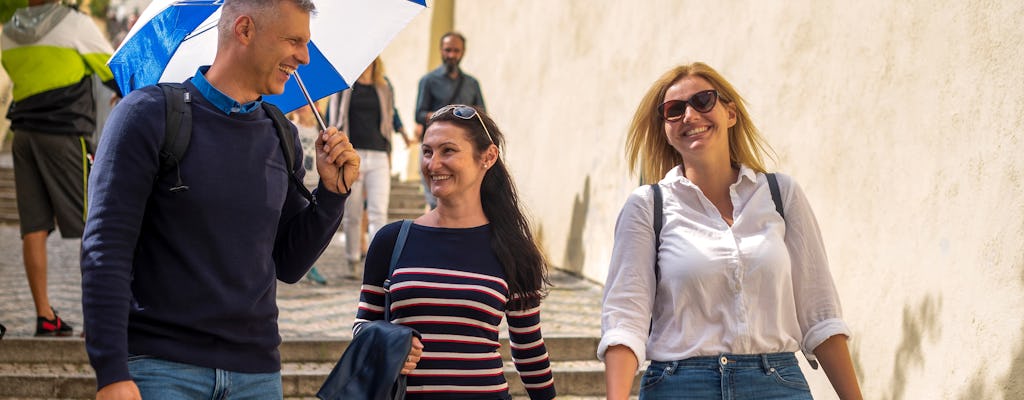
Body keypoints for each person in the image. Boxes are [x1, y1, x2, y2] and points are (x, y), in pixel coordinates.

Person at [80, 0, 360, 399]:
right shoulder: (147, 115)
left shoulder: (280, 134)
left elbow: (290, 263)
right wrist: (110, 371)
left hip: (257, 374)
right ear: (244, 30)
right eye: (294, 41)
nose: (304, 56)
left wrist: (332, 195)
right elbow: (105, 249)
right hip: (161, 370)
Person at [599, 62, 863, 400]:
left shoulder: (781, 195)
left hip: (777, 384)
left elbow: (820, 314)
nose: (690, 115)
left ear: (731, 113)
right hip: (680, 386)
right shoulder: (647, 206)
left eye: (703, 101)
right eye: (674, 110)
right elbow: (624, 321)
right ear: (666, 129)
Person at [355, 105, 556, 399]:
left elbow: (528, 349)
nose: (433, 164)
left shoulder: (515, 249)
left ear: (487, 157)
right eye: (427, 152)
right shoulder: (392, 239)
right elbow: (363, 326)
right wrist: (389, 343)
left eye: (447, 151)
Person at [1, 0, 118, 337]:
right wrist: (125, 92)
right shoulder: (74, 24)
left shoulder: (9, 31)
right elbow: (115, 70)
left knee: (33, 228)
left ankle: (44, 316)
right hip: (65, 134)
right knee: (94, 223)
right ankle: (96, 319)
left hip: (24, 136)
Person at [327, 56, 414, 279]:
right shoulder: (345, 87)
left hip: (378, 155)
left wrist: (402, 136)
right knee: (353, 212)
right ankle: (352, 260)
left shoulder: (384, 87)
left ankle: (378, 263)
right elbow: (333, 117)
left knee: (378, 211)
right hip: (352, 155)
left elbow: (391, 115)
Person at [413, 31, 485, 210]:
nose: (452, 55)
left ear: (463, 52)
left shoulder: (472, 83)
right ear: (441, 50)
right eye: (448, 50)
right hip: (436, 149)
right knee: (435, 199)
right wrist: (444, 115)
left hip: (463, 151)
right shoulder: (428, 81)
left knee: (461, 199)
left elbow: (482, 115)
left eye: (456, 51)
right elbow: (419, 114)